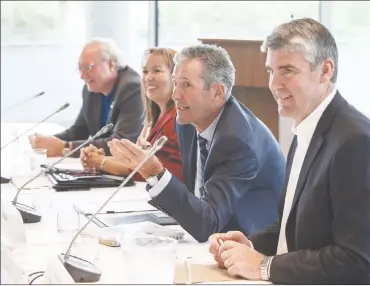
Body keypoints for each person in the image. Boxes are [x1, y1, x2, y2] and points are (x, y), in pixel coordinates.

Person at [208, 18, 370, 284]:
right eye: (271, 71)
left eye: (287, 70)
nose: (274, 84)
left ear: (325, 71)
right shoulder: (306, 129)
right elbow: (296, 227)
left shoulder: (357, 143)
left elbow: (355, 260)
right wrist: (250, 247)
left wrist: (265, 267)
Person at [108, 44, 286, 243]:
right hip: (211, 236)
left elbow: (207, 225)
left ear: (217, 92)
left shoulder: (238, 141)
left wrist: (154, 172)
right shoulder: (187, 121)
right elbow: (197, 201)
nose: (175, 95)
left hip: (252, 246)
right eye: (175, 83)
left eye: (186, 85)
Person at [80, 48, 183, 182]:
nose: (148, 77)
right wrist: (99, 157)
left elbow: (149, 170)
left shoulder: (176, 120)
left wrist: (101, 162)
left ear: (175, 77)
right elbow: (135, 161)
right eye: (145, 71)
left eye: (157, 70)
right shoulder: (154, 119)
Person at [28, 38, 145, 157]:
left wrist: (65, 148)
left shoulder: (132, 88)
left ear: (111, 63)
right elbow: (79, 131)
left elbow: (121, 144)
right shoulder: (92, 90)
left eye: (88, 68)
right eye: (80, 69)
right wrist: (46, 142)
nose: (82, 76)